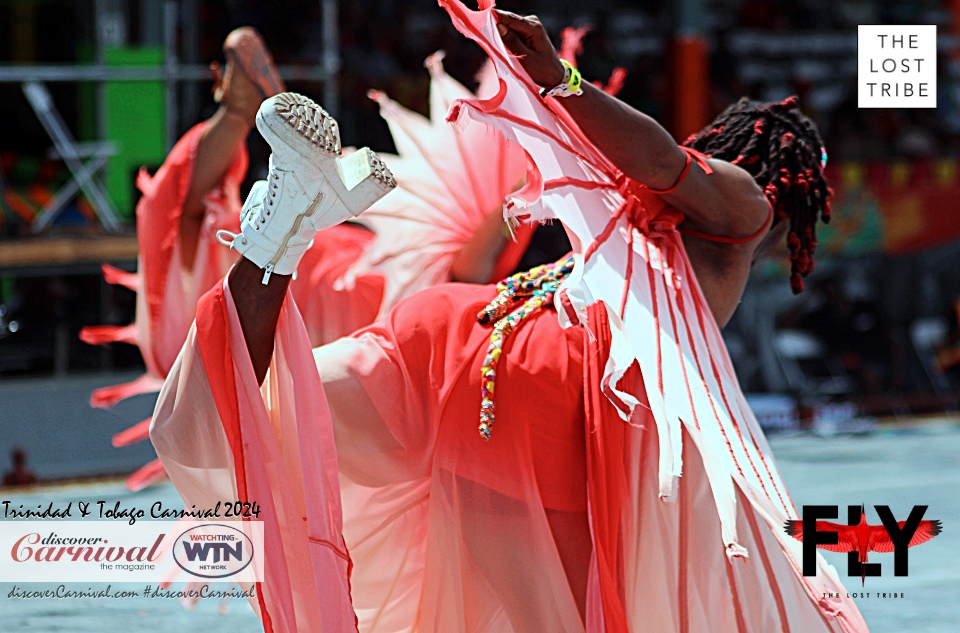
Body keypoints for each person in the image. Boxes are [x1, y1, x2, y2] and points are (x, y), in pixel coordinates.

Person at [150, 5, 867, 632]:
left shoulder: (627, 221)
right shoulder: (743, 210)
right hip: (543, 403)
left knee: (217, 415)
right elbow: (658, 156)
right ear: (788, 190)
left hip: (455, 334)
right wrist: (563, 83)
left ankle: (279, 238)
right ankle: (285, 229)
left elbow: (472, 271)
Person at [80, 30, 531, 490]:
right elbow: (459, 280)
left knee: (198, 260)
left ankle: (259, 136)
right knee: (205, 250)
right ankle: (265, 143)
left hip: (330, 307)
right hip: (344, 303)